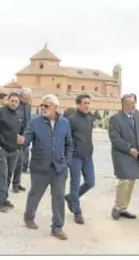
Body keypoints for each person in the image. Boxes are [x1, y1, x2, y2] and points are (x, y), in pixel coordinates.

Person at [21, 94, 73, 241]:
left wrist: (67, 162)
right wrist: (22, 141)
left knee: (58, 198)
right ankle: (29, 217)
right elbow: (26, 140)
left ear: (56, 107)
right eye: (42, 105)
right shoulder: (34, 122)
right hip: (40, 167)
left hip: (59, 168)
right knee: (35, 194)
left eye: (47, 105)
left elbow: (69, 144)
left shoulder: (65, 123)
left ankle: (57, 228)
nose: (43, 108)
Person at [109, 94, 139, 220]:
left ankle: (124, 208)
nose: (134, 104)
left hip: (135, 154)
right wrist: (129, 149)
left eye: (134, 102)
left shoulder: (137, 117)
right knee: (124, 181)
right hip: (122, 153)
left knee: (131, 182)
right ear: (124, 104)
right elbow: (115, 138)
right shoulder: (115, 119)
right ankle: (117, 207)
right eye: (131, 103)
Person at [0, 92, 22, 213]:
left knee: (9, 175)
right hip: (1, 150)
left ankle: (5, 198)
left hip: (14, 150)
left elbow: (21, 131)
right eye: (12, 101)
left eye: (16, 102)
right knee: (3, 174)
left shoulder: (19, 114)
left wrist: (19, 146)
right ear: (7, 100)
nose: (14, 103)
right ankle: (2, 201)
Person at [64, 94, 95, 224]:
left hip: (88, 156)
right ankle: (77, 212)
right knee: (75, 184)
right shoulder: (70, 120)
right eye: (85, 103)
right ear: (78, 104)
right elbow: (67, 139)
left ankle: (71, 198)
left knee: (90, 182)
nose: (87, 105)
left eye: (89, 103)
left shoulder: (90, 119)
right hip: (76, 157)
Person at [11, 87, 32, 193]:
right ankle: (13, 184)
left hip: (25, 138)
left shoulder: (28, 106)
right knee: (16, 162)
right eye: (29, 95)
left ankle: (17, 183)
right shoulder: (16, 104)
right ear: (23, 96)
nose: (30, 97)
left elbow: (29, 121)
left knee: (21, 162)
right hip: (15, 138)